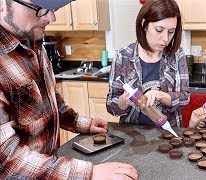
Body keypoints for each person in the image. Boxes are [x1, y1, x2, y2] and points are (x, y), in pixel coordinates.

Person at [0, 0, 138, 179]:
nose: (51, 17)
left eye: (53, 9)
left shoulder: (32, 40)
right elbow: (6, 159)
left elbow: (47, 104)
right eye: (40, 9)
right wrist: (89, 173)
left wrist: (78, 122)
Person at [107, 0, 190, 127]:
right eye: (159, 30)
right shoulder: (123, 56)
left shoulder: (177, 56)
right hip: (132, 135)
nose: (166, 38)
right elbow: (111, 106)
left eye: (171, 31)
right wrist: (124, 101)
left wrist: (161, 95)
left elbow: (185, 98)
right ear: (144, 24)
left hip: (169, 133)